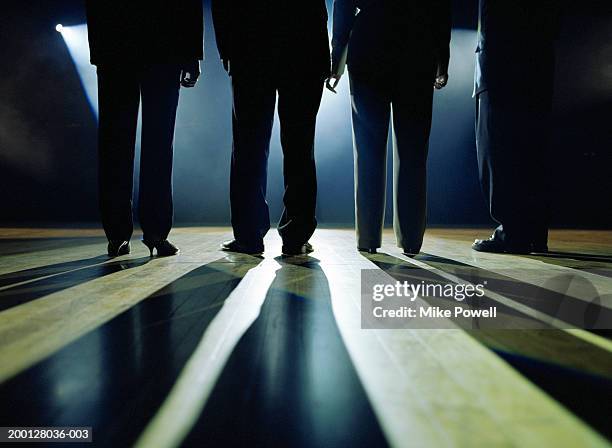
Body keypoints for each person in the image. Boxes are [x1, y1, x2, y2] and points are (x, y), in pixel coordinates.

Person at [328, 0, 451, 256]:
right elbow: (439, 8)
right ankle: (410, 240)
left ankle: (368, 237)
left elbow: (344, 6)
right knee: (413, 152)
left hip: (369, 44)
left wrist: (337, 57)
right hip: (417, 48)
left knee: (368, 151)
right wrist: (442, 56)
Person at [211, 0, 330, 256]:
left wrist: (227, 48)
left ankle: (248, 236)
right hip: (303, 46)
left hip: (250, 47)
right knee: (299, 147)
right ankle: (296, 236)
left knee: (249, 146)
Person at [86, 0, 203, 257]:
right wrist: (192, 54)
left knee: (117, 144)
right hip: (156, 47)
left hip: (120, 46)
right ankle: (153, 233)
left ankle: (122, 234)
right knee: (155, 145)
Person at [472, 0, 559, 254]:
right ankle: (535, 233)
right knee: (533, 148)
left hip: (501, 66)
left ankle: (512, 232)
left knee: (498, 150)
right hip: (538, 64)